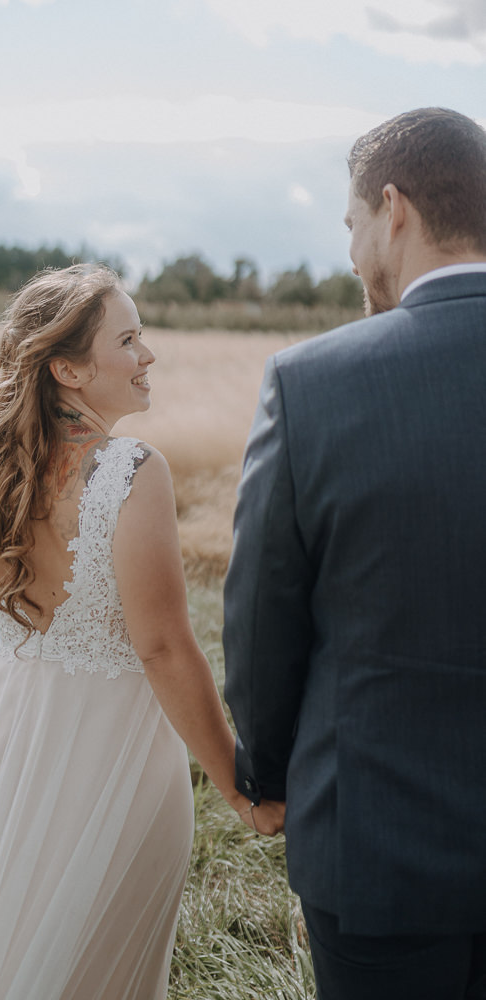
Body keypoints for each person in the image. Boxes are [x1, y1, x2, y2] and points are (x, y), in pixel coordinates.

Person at [0, 264, 262, 1000]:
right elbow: (161, 647)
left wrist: (13, 747)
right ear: (66, 367)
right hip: (115, 770)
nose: (147, 355)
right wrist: (239, 790)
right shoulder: (131, 470)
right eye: (128, 339)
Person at [223, 107, 486, 999]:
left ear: (392, 208)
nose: (348, 255)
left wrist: (260, 772)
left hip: (375, 849)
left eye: (348, 227)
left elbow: (261, 614)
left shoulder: (309, 383)